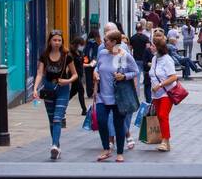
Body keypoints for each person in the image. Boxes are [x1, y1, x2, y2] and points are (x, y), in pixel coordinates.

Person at [92, 29, 138, 162]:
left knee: (119, 124)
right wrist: (95, 72)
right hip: (102, 95)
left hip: (118, 97)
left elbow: (134, 71)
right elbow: (98, 66)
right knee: (101, 121)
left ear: (114, 42)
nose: (103, 42)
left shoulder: (124, 56)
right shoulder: (102, 53)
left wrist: (124, 76)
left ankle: (119, 153)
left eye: (106, 40)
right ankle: (106, 149)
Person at [33, 30, 76, 160]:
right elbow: (40, 73)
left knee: (58, 118)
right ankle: (56, 145)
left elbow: (75, 74)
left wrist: (67, 81)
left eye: (59, 40)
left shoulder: (67, 56)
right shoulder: (44, 55)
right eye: (54, 40)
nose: (57, 43)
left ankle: (54, 146)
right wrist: (35, 89)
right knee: (52, 120)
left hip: (62, 89)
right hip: (48, 89)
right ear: (50, 41)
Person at [148, 34, 180, 152]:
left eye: (152, 45)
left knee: (162, 115)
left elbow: (173, 77)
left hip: (167, 92)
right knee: (160, 117)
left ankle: (165, 141)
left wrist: (160, 85)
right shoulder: (155, 59)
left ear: (158, 47)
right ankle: (165, 140)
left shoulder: (167, 60)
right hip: (156, 93)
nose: (150, 47)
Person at [68, 36, 88, 115]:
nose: (81, 46)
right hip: (74, 75)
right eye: (80, 45)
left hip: (80, 74)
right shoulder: (70, 54)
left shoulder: (79, 52)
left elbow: (82, 63)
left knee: (73, 92)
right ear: (76, 44)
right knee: (81, 90)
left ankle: (62, 105)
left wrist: (88, 64)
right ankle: (84, 110)